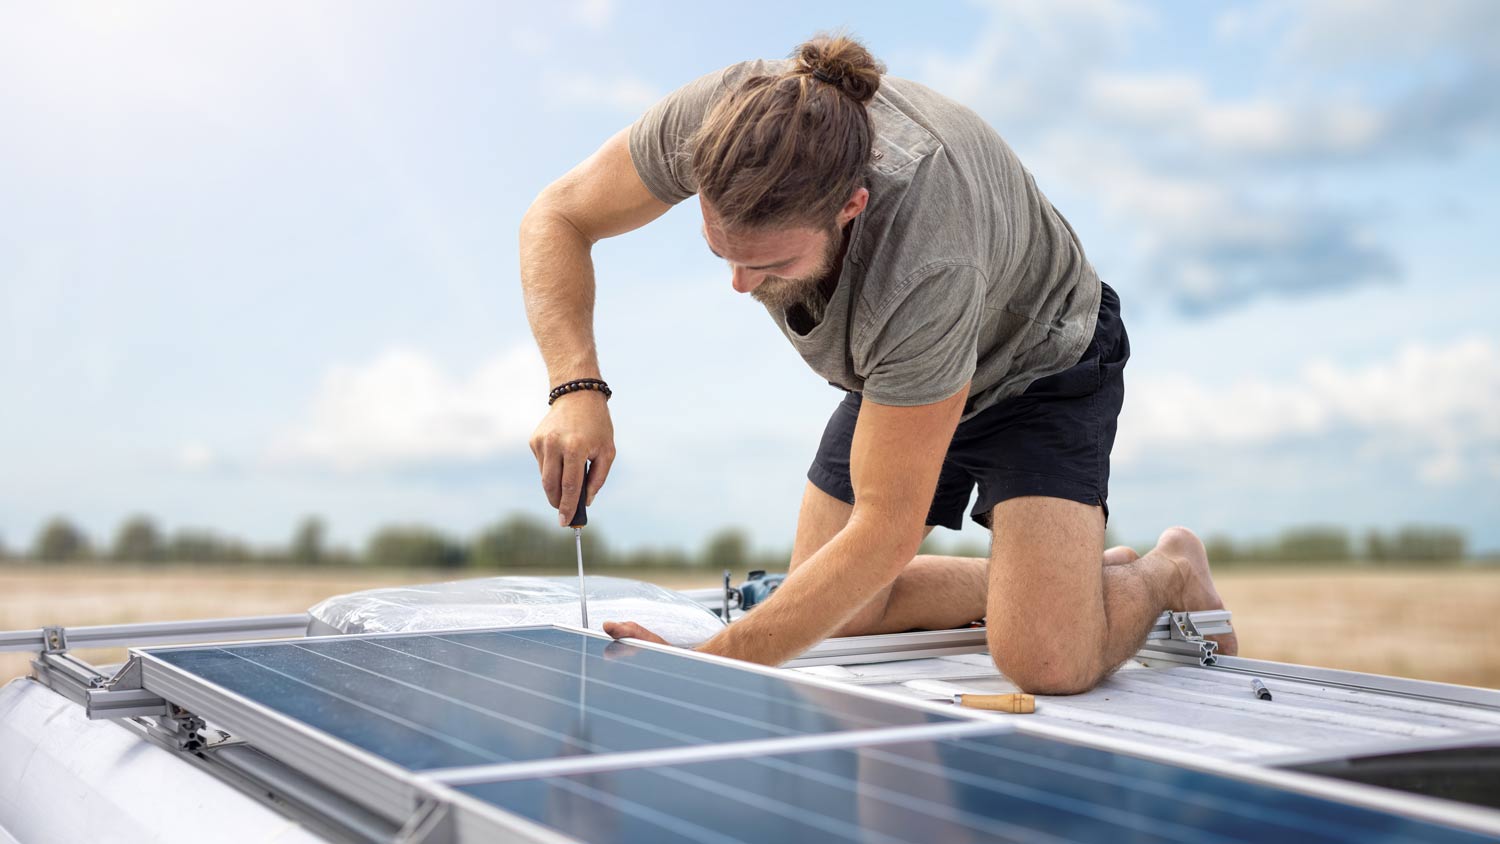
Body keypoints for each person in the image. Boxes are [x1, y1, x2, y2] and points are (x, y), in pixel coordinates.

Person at [519, 34, 1235, 695]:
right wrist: (575, 387)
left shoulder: (925, 254)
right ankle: (1047, 580)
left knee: (1046, 661)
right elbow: (556, 217)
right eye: (721, 252)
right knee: (848, 610)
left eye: (770, 263)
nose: (739, 284)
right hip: (897, 373)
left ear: (851, 207)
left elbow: (885, 530)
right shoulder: (719, 124)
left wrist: (709, 669)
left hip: (1037, 365)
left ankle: (1166, 569)